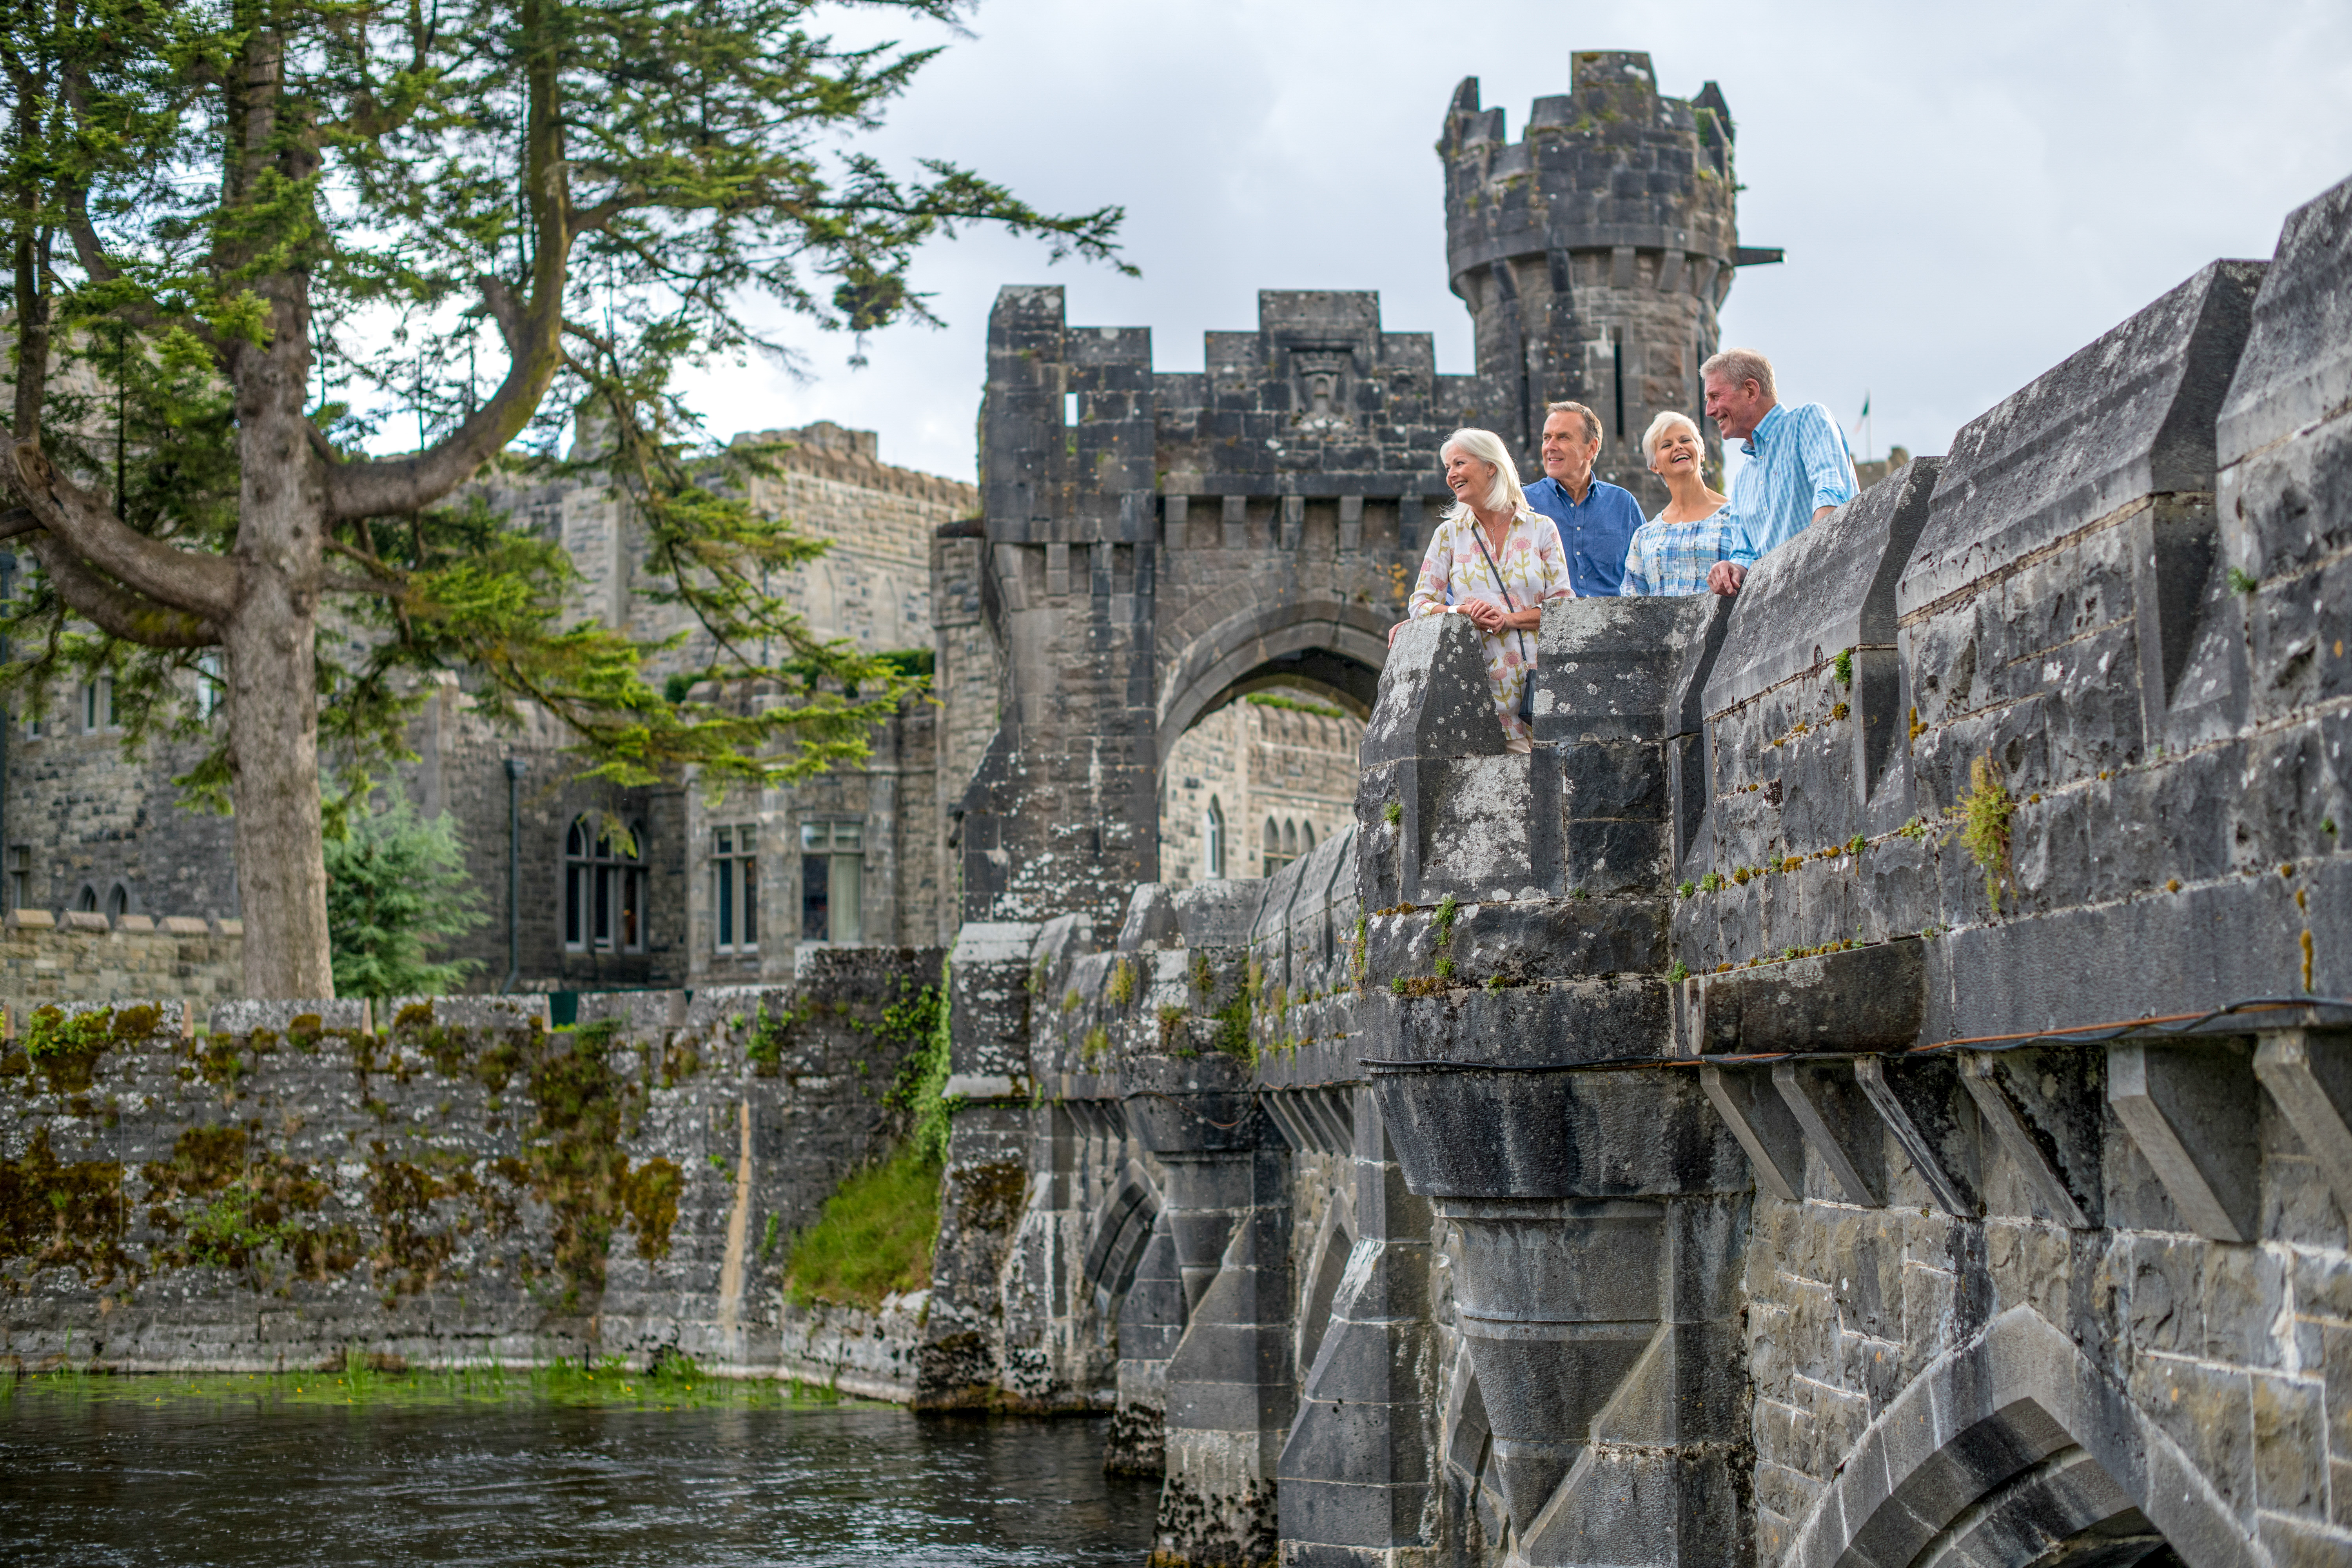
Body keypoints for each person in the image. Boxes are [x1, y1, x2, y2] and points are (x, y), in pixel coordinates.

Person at [1405, 428, 1574, 752]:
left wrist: (1508, 620)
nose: (1451, 475)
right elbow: (1421, 605)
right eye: (1448, 469)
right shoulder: (1448, 535)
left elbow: (1564, 609)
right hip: (1481, 694)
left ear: (1490, 467)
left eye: (1459, 463)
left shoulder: (1541, 529)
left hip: (1543, 691)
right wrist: (1462, 612)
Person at [1699, 348, 1860, 596]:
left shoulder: (1807, 420)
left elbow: (1832, 498)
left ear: (1751, 391)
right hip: (1776, 615)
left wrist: (1805, 570)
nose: (1709, 410)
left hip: (1829, 590)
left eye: (1715, 396)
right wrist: (1730, 570)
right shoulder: (1741, 480)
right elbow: (1746, 556)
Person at [1523, 401, 1646, 598]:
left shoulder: (1623, 503)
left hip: (1615, 624)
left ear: (1592, 448)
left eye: (1563, 437)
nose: (1550, 447)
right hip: (1549, 624)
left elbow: (1645, 574)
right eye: (1547, 438)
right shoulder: (1523, 504)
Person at [1620, 412, 1736, 596]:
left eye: (1685, 440)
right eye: (1667, 445)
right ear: (1655, 466)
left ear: (1702, 452)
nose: (1678, 447)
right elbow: (1632, 602)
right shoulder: (1644, 536)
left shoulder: (1735, 516)